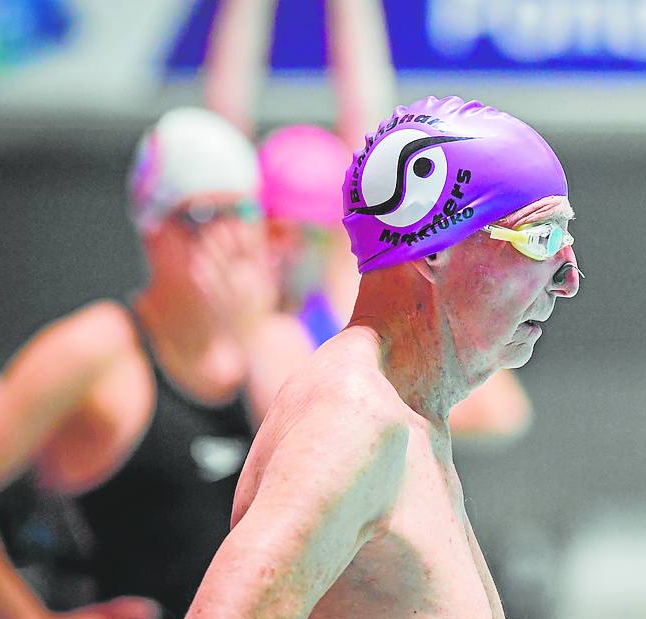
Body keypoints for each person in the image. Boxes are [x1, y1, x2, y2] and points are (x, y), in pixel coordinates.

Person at [169, 95, 581, 619]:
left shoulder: (408, 413)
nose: (568, 277)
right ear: (435, 249)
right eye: (541, 238)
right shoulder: (355, 415)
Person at [0, 106, 311, 619]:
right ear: (151, 229)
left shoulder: (277, 348)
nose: (228, 239)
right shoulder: (93, 353)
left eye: (242, 213)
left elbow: (321, 492)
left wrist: (251, 329)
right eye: (200, 219)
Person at [206, 0, 534, 442]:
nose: (291, 249)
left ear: (336, 234)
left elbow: (502, 414)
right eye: (277, 231)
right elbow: (220, 135)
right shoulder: (237, 296)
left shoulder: (349, 293)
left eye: (310, 233)